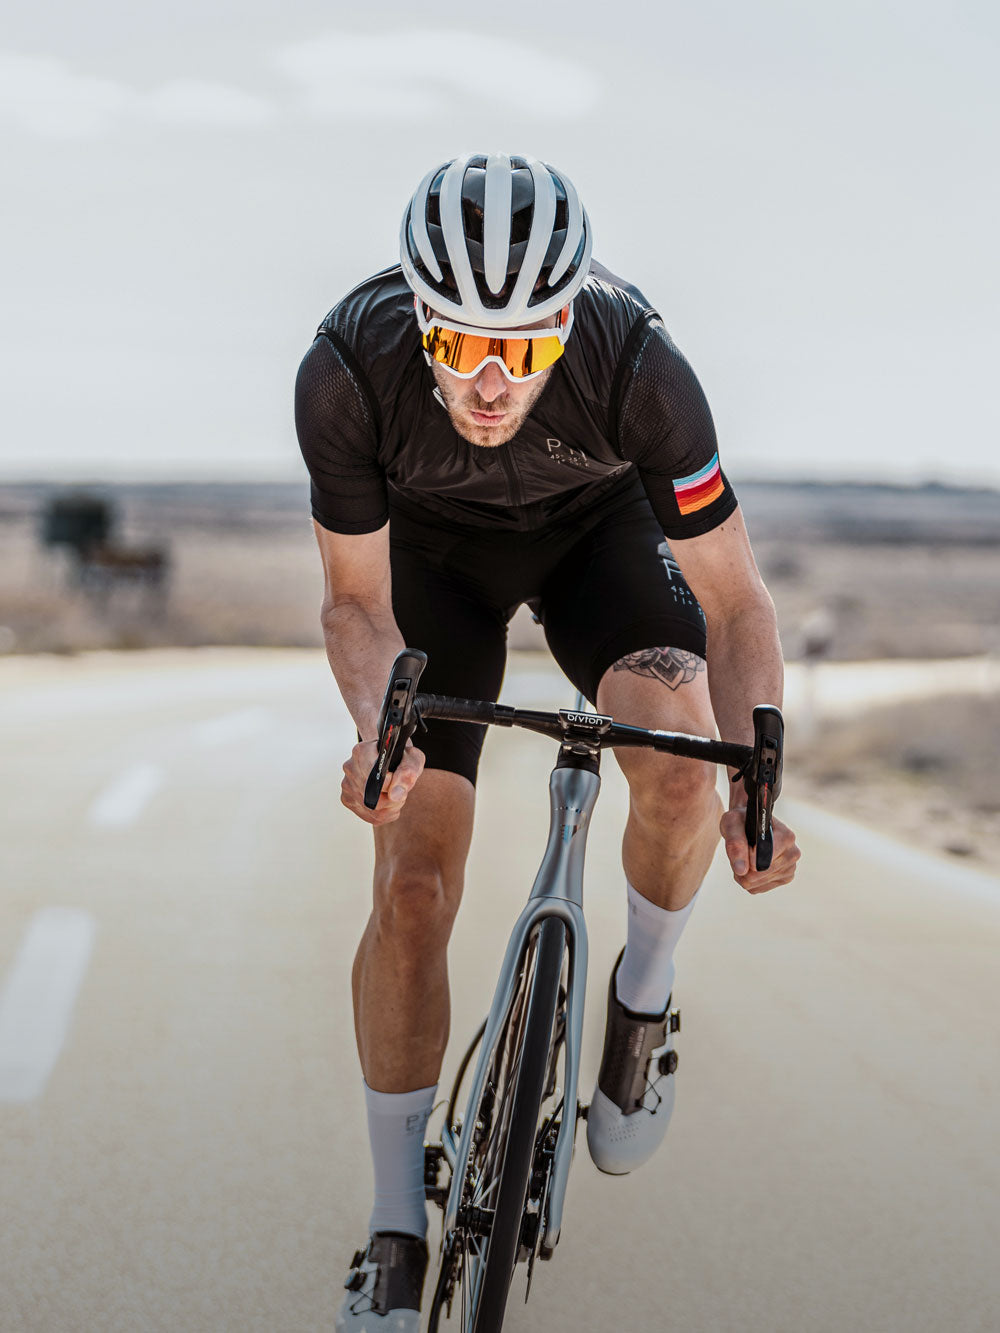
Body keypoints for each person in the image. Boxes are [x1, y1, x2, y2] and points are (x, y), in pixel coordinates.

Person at [295, 152, 801, 1330]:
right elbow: (356, 604)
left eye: (520, 348)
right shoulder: (346, 367)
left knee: (678, 766)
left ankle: (642, 997)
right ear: (416, 319)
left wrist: (757, 776)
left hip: (598, 543)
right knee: (413, 882)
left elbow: (737, 607)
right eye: (458, 342)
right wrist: (383, 734)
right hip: (432, 571)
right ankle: (390, 1229)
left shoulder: (639, 365)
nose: (485, 381)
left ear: (565, 320)